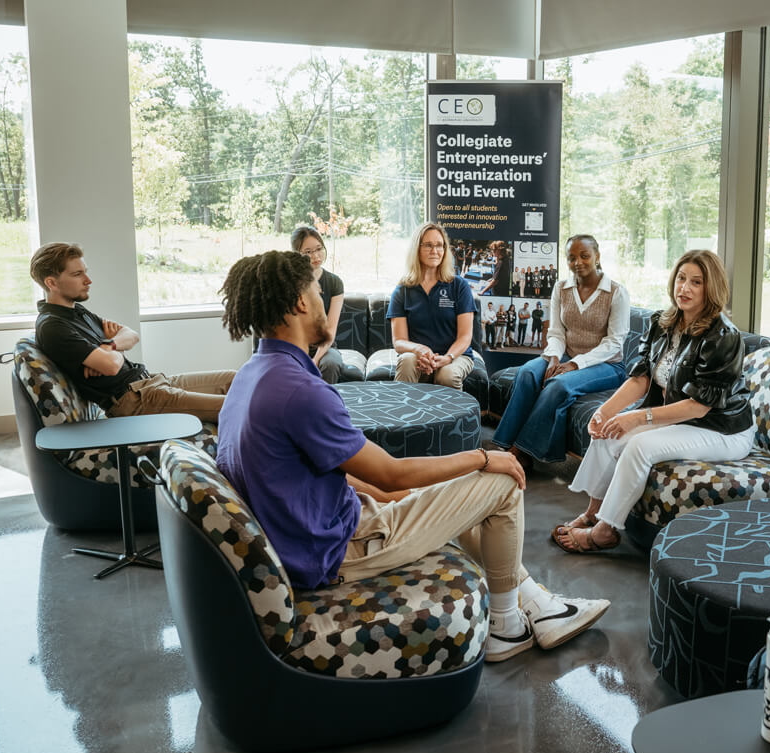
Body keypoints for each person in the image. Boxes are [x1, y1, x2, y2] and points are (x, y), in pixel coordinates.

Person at [215, 250, 610, 662]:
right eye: (315, 290)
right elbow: (391, 473)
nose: (320, 299)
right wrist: (482, 458)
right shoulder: (298, 390)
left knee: (463, 494)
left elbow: (314, 472)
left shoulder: (253, 375)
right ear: (299, 302)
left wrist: (392, 496)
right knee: (503, 481)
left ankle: (538, 606)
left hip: (318, 531)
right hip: (343, 548)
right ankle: (507, 628)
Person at [553, 249, 752, 552]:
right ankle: (593, 513)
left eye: (696, 282)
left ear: (710, 289)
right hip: (680, 417)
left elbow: (699, 406)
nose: (684, 288)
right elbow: (641, 378)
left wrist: (637, 417)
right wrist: (605, 413)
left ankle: (604, 531)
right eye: (681, 278)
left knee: (639, 445)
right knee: (609, 431)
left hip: (721, 428)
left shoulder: (723, 336)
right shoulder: (663, 322)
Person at [31, 241, 234, 422]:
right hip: (134, 401)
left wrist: (109, 346)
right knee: (238, 408)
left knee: (236, 379)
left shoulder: (76, 311)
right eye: (77, 274)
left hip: (150, 383)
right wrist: (112, 352)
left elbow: (131, 334)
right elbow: (111, 366)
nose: (88, 280)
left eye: (85, 271)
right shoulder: (52, 326)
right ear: (51, 283)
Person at [490, 235, 631, 471]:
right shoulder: (561, 288)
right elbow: (556, 332)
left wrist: (575, 364)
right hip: (564, 355)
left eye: (585, 256)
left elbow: (614, 343)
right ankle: (505, 445)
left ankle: (522, 451)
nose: (578, 262)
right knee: (527, 373)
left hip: (607, 365)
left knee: (558, 385)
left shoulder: (617, 292)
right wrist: (554, 357)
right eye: (572, 258)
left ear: (597, 256)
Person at [388, 222, 477, 390]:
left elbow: (465, 336)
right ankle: (401, 414)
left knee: (447, 375)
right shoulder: (402, 290)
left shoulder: (459, 286)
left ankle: (452, 417)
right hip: (418, 356)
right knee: (407, 361)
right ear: (416, 249)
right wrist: (419, 350)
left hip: (455, 356)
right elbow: (399, 341)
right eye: (428, 245)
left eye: (439, 245)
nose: (435, 251)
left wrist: (448, 358)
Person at [291, 226, 345, 384]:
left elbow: (330, 330)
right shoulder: (289, 282)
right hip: (296, 346)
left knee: (330, 364)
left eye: (319, 249)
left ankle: (327, 406)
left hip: (326, 347)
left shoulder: (334, 282)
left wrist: (315, 360)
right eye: (308, 252)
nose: (315, 256)